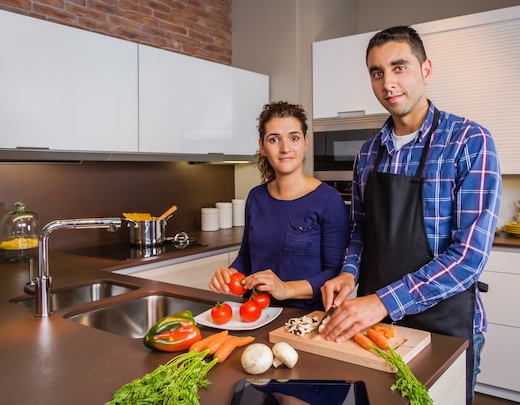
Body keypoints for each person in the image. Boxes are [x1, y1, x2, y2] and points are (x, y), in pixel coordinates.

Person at [320, 26, 502, 405]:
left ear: (426, 69)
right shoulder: (367, 153)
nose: (388, 82)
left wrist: (382, 301)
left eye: (399, 67)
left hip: (444, 328)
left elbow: (469, 258)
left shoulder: (469, 141)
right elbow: (361, 228)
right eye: (377, 72)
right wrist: (348, 272)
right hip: (375, 326)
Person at [209, 101, 350, 311]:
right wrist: (230, 274)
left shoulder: (329, 201)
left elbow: (335, 273)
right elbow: (247, 258)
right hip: (256, 313)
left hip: (306, 319)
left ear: (305, 142)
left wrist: (286, 289)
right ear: (262, 147)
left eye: (294, 138)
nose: (285, 148)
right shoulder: (256, 197)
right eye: (274, 139)